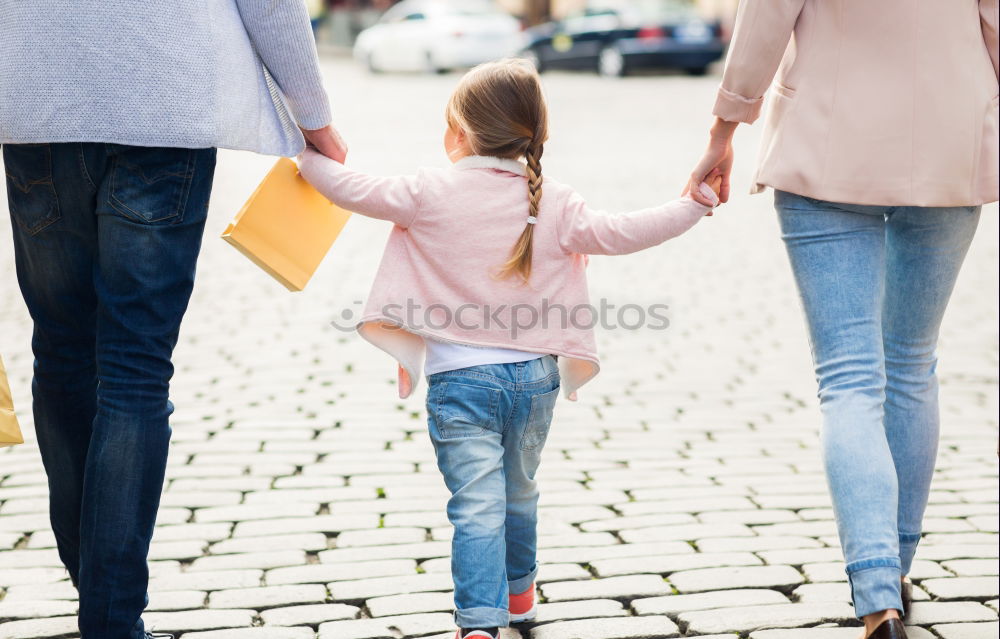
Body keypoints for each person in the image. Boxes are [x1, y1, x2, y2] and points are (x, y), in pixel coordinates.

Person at [298, 59, 722, 639]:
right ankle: (519, 596)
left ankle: (478, 623)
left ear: (461, 134)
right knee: (519, 491)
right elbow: (624, 232)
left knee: (476, 505)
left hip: (460, 385)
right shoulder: (555, 200)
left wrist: (304, 153)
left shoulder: (426, 190)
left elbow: (347, 188)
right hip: (533, 383)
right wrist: (694, 204)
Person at [0, 2, 347, 638]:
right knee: (134, 366)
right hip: (164, 98)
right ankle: (110, 610)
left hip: (35, 97)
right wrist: (314, 114)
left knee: (61, 350)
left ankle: (95, 578)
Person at [686, 2, 999, 638]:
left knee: (850, 379)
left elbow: (763, 24)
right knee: (911, 364)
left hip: (823, 143)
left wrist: (724, 132)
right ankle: (898, 569)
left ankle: (878, 593)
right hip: (949, 137)